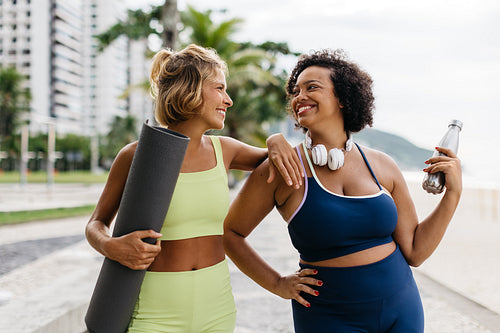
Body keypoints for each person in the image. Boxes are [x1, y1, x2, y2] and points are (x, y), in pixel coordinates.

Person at [223, 49, 462, 333]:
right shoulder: (282, 169)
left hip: (402, 308)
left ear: (342, 98)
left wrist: (453, 194)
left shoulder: (382, 165)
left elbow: (415, 251)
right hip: (328, 315)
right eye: (296, 90)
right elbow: (231, 233)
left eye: (312, 87)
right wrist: (277, 283)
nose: (300, 96)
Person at [85, 44, 303, 333]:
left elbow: (279, 158)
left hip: (217, 307)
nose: (228, 100)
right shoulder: (136, 155)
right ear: (190, 90)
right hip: (154, 313)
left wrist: (276, 138)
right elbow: (95, 224)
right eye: (219, 89)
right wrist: (111, 246)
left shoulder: (225, 150)